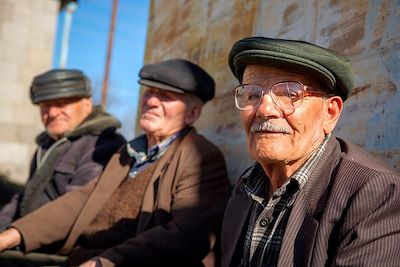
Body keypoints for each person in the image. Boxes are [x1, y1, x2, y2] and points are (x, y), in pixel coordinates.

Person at [0, 59, 230, 267]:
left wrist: (105, 262)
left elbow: (189, 233)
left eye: (166, 97)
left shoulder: (200, 155)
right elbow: (83, 199)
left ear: (192, 114)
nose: (151, 101)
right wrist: (13, 235)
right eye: (149, 92)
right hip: (82, 257)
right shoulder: (128, 153)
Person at [221, 37, 400, 267]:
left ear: (330, 113)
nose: (264, 109)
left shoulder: (376, 194)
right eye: (252, 95)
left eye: (289, 93)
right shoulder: (247, 185)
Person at [0, 69, 125, 231]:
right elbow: (24, 198)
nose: (51, 113)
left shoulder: (103, 144)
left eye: (61, 104)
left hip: (63, 248)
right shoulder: (46, 145)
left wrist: (17, 236)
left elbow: (75, 206)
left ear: (87, 104)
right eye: (45, 106)